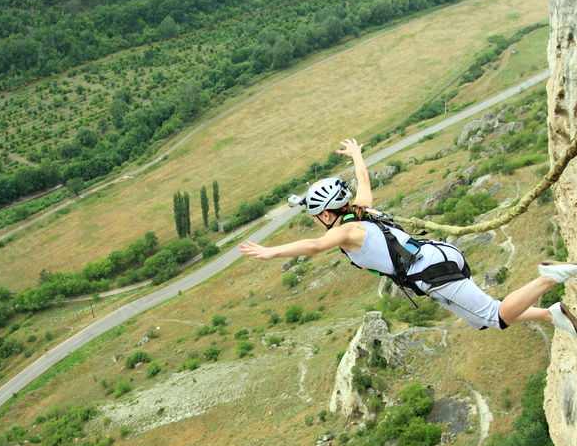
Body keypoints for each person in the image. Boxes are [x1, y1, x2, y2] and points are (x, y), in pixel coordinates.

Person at [240, 138, 577, 337]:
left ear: (326, 214)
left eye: (315, 216)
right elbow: (364, 183)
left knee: (494, 316)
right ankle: (553, 314)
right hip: (437, 258)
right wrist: (357, 155)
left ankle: (548, 278)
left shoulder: (345, 231)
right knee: (478, 321)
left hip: (431, 273)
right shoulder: (360, 210)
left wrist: (271, 252)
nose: (316, 222)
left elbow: (314, 246)